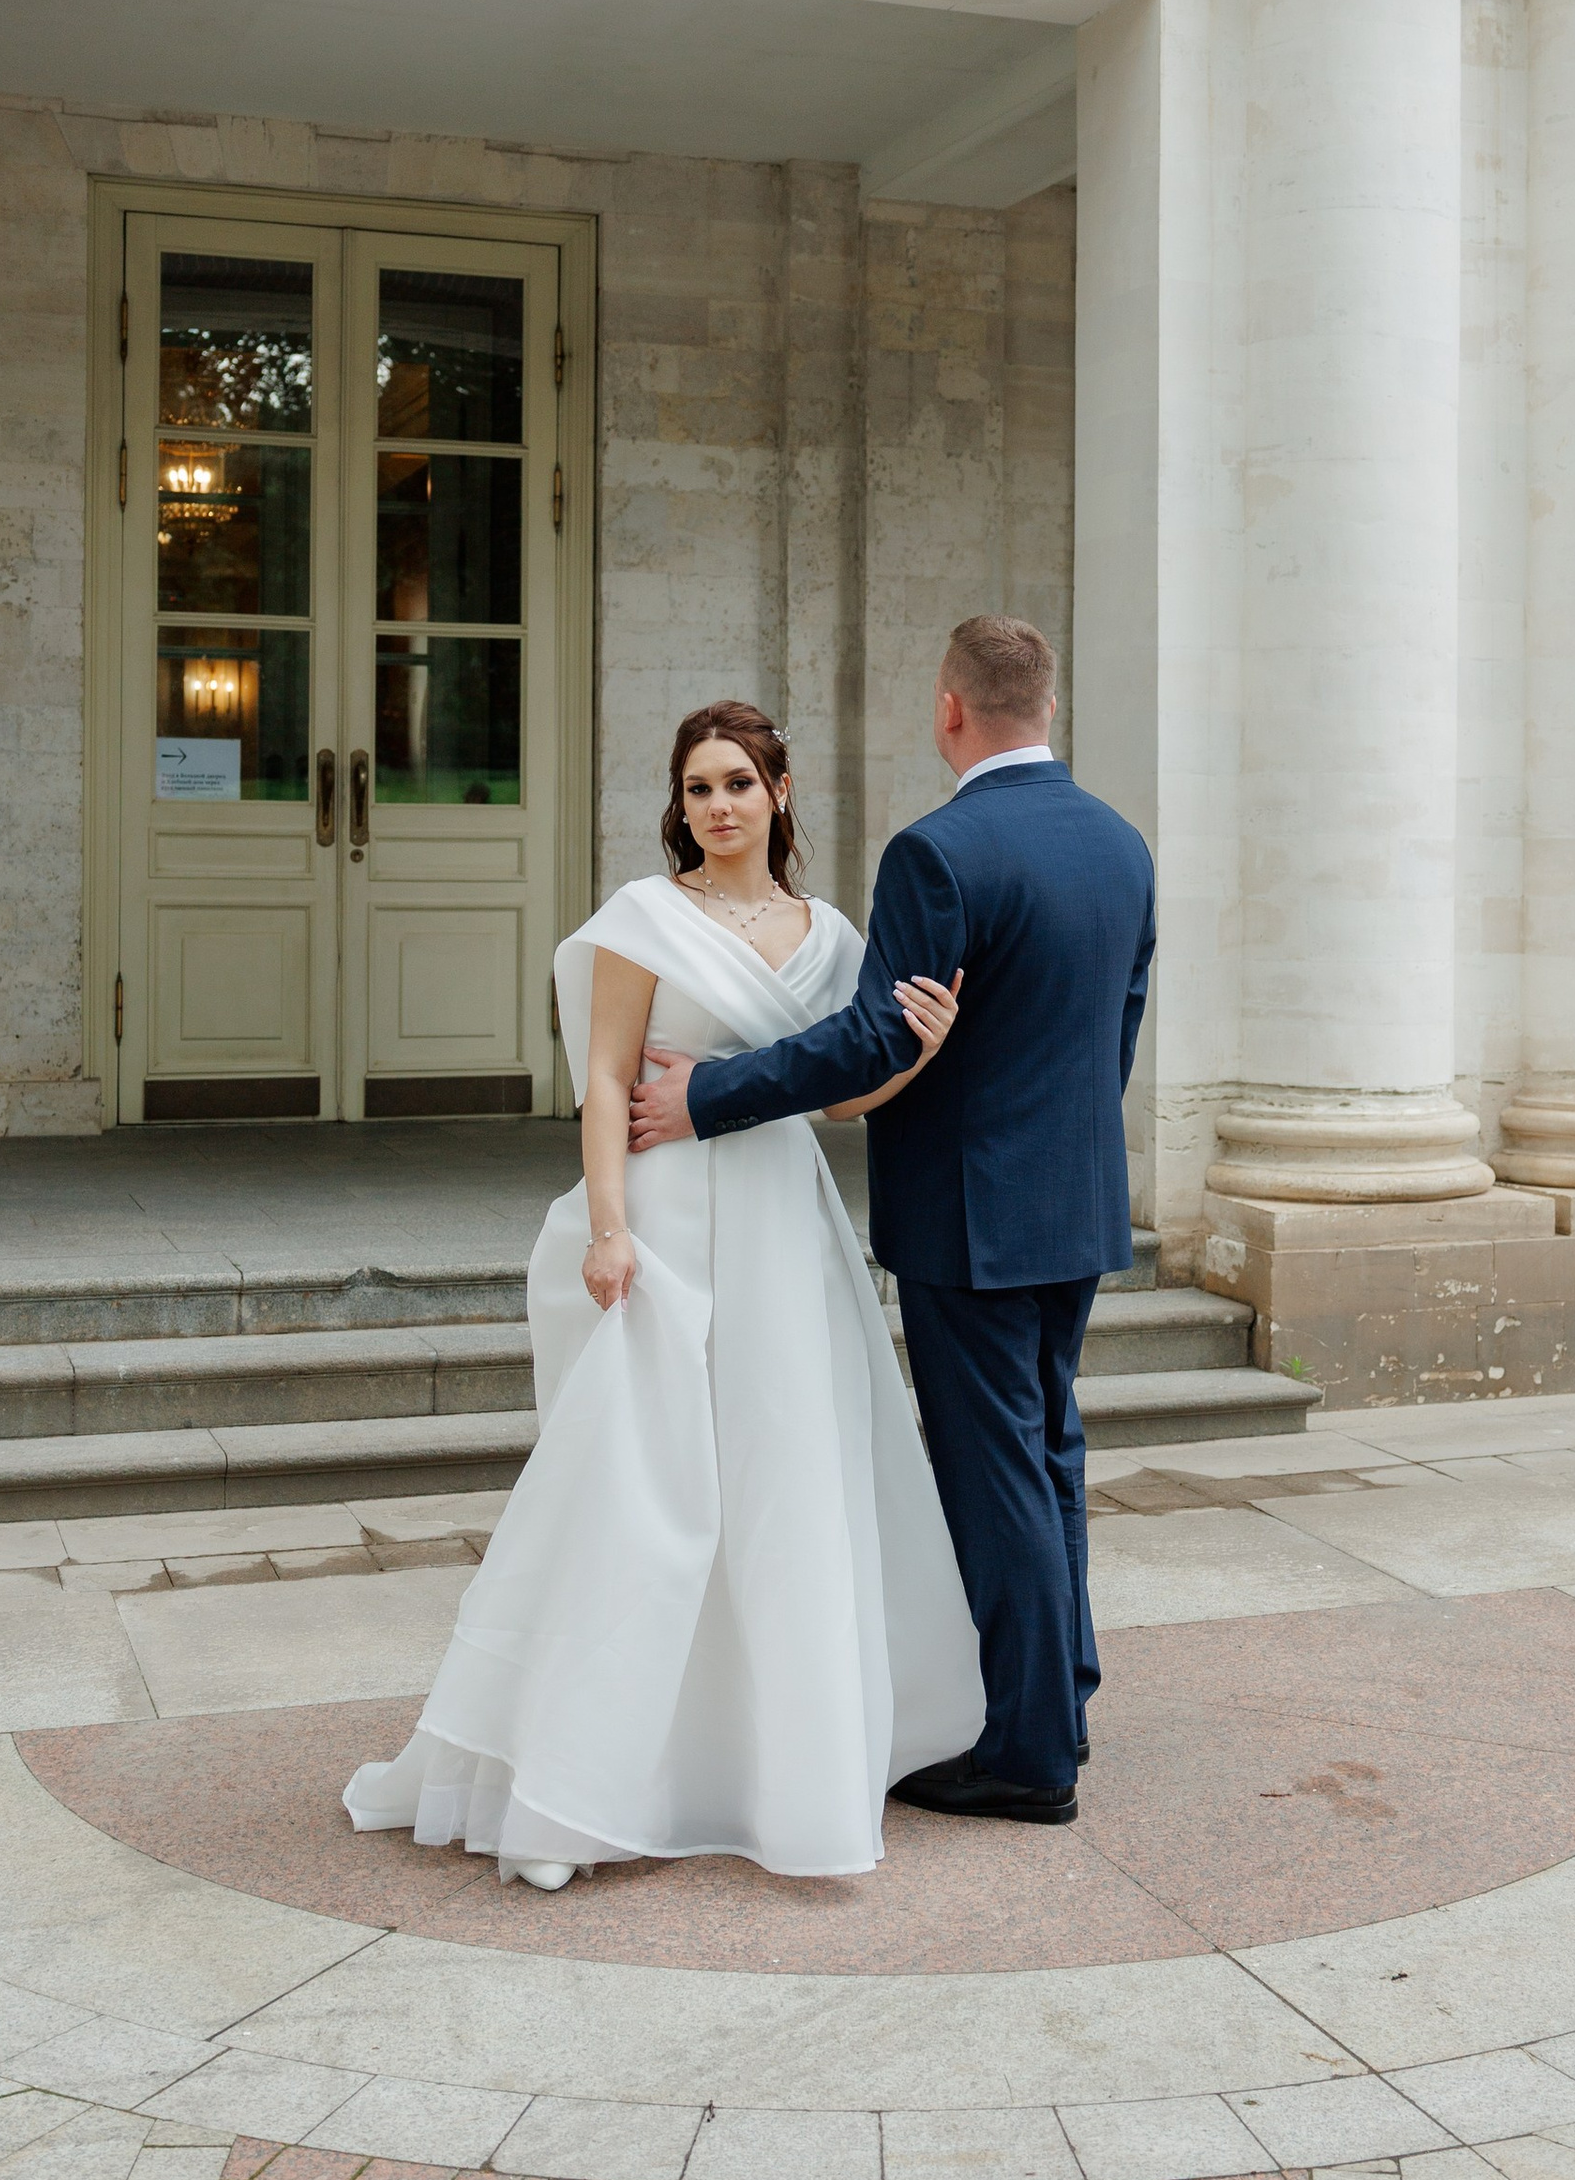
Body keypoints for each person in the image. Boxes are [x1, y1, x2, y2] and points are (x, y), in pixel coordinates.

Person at [343, 700, 986, 1886]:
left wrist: (923, 1053)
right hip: (665, 1219)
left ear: (779, 793)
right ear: (678, 805)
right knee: (641, 1495)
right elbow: (600, 1073)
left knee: (785, 1485)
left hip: (787, 1234)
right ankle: (581, 1782)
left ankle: (761, 1768)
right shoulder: (646, 917)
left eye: (739, 782)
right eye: (697, 788)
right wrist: (607, 1227)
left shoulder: (834, 935)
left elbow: (839, 1099)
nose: (719, 806)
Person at [628, 616, 1154, 1825]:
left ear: (949, 710)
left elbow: (879, 1037)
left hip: (971, 1215)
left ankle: (1028, 1755)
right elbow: (1112, 1033)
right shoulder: (1120, 845)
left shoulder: (940, 851)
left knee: (995, 1474)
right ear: (1049, 708)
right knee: (1050, 1453)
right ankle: (1056, 1695)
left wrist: (702, 1095)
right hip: (1072, 1201)